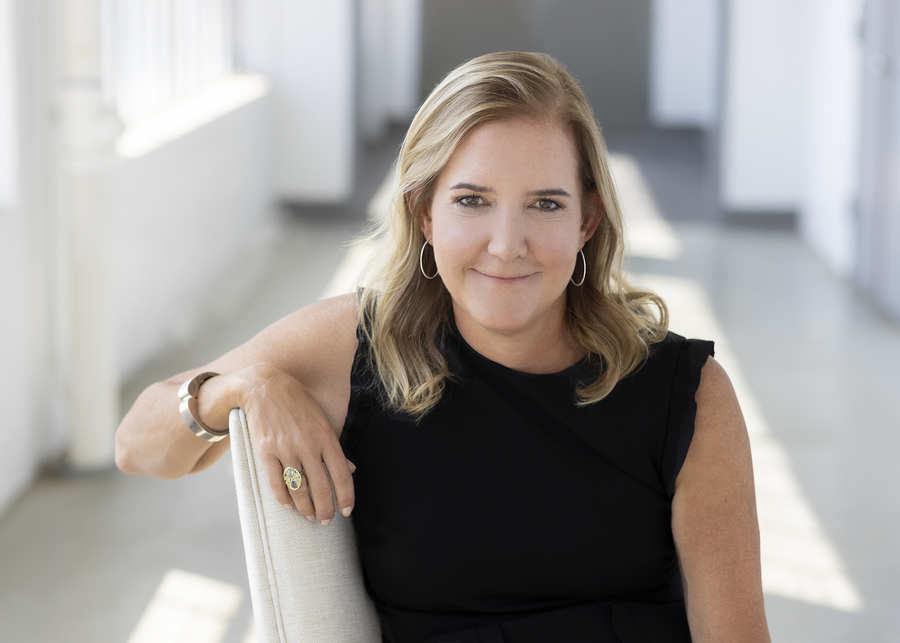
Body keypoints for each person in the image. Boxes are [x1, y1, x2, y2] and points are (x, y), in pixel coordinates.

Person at [116, 51, 770, 642]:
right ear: (425, 212)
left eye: (545, 204)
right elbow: (137, 443)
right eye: (472, 201)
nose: (506, 244)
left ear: (587, 221)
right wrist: (242, 387)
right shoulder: (356, 347)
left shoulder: (688, 394)